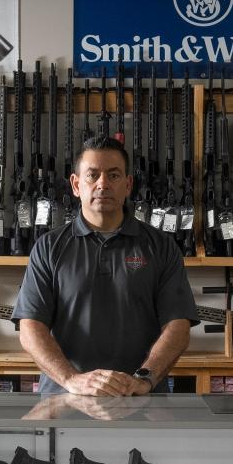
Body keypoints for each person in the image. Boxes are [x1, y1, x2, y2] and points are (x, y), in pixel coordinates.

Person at [13, 136, 198, 396]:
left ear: (128, 184)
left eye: (113, 175)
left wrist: (144, 379)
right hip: (66, 400)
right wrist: (71, 380)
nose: (103, 184)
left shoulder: (161, 246)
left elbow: (178, 325)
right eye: (92, 175)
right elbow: (30, 326)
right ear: (76, 185)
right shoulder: (48, 247)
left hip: (138, 399)